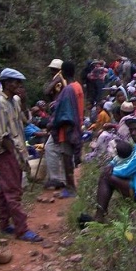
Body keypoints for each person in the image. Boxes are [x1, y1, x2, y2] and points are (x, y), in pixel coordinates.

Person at [0, 68, 42, 242]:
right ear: (6, 83)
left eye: (19, 83)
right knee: (13, 190)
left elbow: (24, 120)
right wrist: (13, 153)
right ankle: (21, 229)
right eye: (15, 82)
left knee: (5, 190)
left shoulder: (14, 101)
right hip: (6, 151)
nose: (18, 85)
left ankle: (4, 224)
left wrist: (24, 100)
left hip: (15, 149)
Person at [49, 61, 84, 198]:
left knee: (67, 159)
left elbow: (64, 111)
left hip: (67, 128)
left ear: (62, 72)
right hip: (77, 124)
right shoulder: (78, 87)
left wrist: (54, 123)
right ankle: (70, 187)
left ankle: (71, 188)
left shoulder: (68, 89)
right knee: (68, 158)